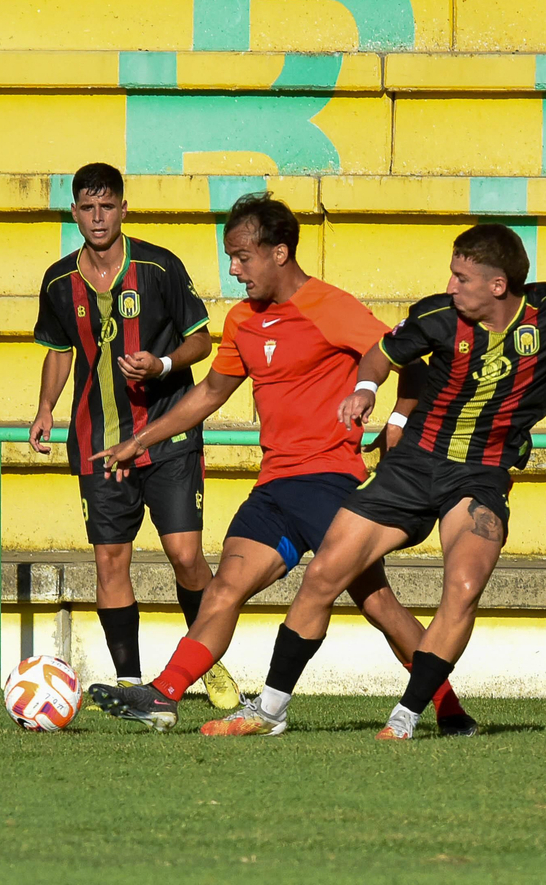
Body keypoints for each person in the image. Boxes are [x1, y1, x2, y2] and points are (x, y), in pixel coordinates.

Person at [85, 193, 475, 736]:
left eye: (243, 257)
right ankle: (164, 694)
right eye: (231, 257)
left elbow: (407, 361)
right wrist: (139, 440)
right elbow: (210, 392)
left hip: (331, 481)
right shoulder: (242, 321)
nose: (234, 269)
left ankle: (449, 708)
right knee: (224, 589)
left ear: (280, 253)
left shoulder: (330, 307)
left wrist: (397, 423)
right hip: (274, 486)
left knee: (377, 603)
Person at [30, 162, 239, 709]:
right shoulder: (58, 281)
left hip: (168, 435)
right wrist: (45, 408)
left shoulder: (159, 266)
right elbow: (59, 350)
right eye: (87, 207)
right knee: (109, 562)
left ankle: (207, 662)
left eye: (107, 206)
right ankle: (130, 684)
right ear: (74, 213)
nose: (98, 217)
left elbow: (202, 341)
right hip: (97, 440)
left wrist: (163, 363)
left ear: (124, 208)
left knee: (186, 556)